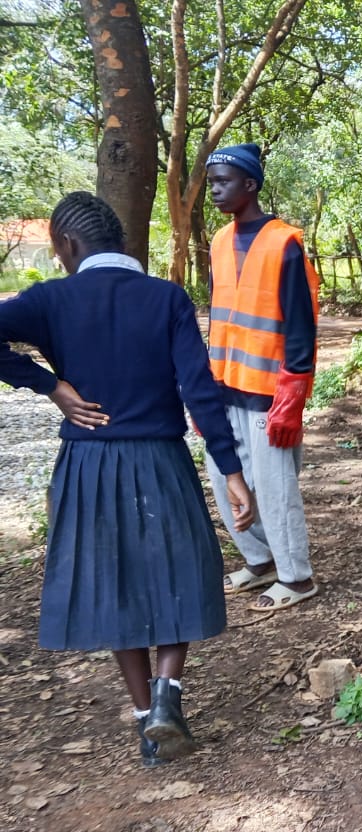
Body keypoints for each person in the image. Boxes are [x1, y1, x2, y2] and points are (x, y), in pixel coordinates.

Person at [0, 192, 254, 767]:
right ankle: (168, 695)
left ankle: (146, 722)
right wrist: (232, 471)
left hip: (90, 465)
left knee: (114, 584)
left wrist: (49, 386)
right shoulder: (165, 297)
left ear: (65, 245)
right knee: (178, 571)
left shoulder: (51, 300)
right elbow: (199, 388)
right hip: (160, 459)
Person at [204, 143, 322, 611]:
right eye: (212, 181)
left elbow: (300, 323)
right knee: (222, 477)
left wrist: (292, 394)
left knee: (274, 489)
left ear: (250, 185)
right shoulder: (217, 241)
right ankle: (260, 559)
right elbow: (217, 316)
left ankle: (297, 577)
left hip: (269, 391)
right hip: (224, 384)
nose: (214, 189)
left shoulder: (284, 242)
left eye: (223, 181)